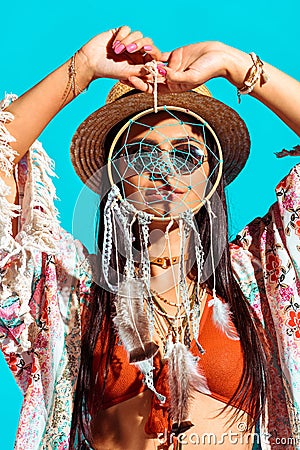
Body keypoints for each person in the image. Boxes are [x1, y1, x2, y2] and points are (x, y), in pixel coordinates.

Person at [0, 25, 300, 450]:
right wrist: (81, 68)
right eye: (142, 151)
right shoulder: (70, 291)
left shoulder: (261, 277)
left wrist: (237, 64)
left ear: (209, 173)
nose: (165, 168)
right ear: (115, 175)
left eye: (185, 153)